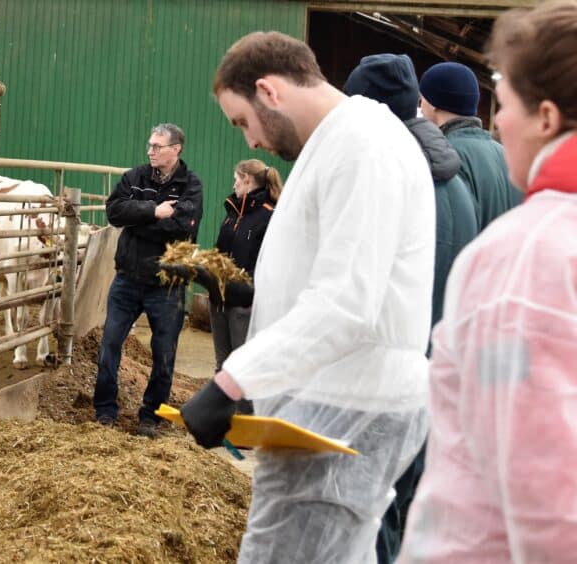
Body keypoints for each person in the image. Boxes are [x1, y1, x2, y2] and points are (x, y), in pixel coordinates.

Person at [180, 32, 435, 563]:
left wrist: (235, 379)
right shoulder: (336, 144)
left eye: (242, 121)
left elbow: (346, 301)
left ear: (269, 92)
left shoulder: (361, 144)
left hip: (347, 406)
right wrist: (265, 383)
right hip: (327, 405)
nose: (249, 143)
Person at [398, 2, 577, 562]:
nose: (500, 121)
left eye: (510, 104)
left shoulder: (526, 257)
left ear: (545, 117)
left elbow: (545, 490)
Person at [343, 52, 479, 564]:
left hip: (386, 383)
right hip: (434, 377)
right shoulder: (455, 181)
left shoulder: (396, 180)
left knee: (374, 520)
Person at [94, 123, 203, 438]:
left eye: (158, 146)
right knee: (110, 344)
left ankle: (151, 417)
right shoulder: (135, 177)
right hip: (127, 279)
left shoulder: (190, 185)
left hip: (166, 285)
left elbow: (183, 227)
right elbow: (114, 212)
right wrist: (153, 211)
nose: (150, 151)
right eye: (150, 145)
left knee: (164, 353)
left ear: (176, 149)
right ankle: (104, 412)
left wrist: (136, 221)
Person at [209, 158, 282, 414]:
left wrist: (246, 290)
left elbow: (271, 263)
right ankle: (223, 421)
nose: (234, 184)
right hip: (219, 298)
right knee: (223, 364)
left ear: (247, 180)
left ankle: (247, 422)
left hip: (245, 303)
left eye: (236, 180)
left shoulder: (269, 216)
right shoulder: (232, 214)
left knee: (244, 365)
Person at [419, 61, 522, 229]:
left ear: (432, 102)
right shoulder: (504, 154)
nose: (420, 107)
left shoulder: (445, 158)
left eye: (421, 99)